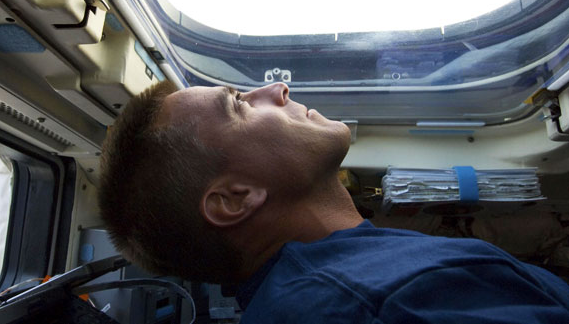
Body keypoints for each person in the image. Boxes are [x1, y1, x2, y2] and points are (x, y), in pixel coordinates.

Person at [99, 81, 569, 323]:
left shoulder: (319, 293)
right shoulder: (382, 301)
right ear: (234, 199)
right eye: (239, 104)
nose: (277, 90)